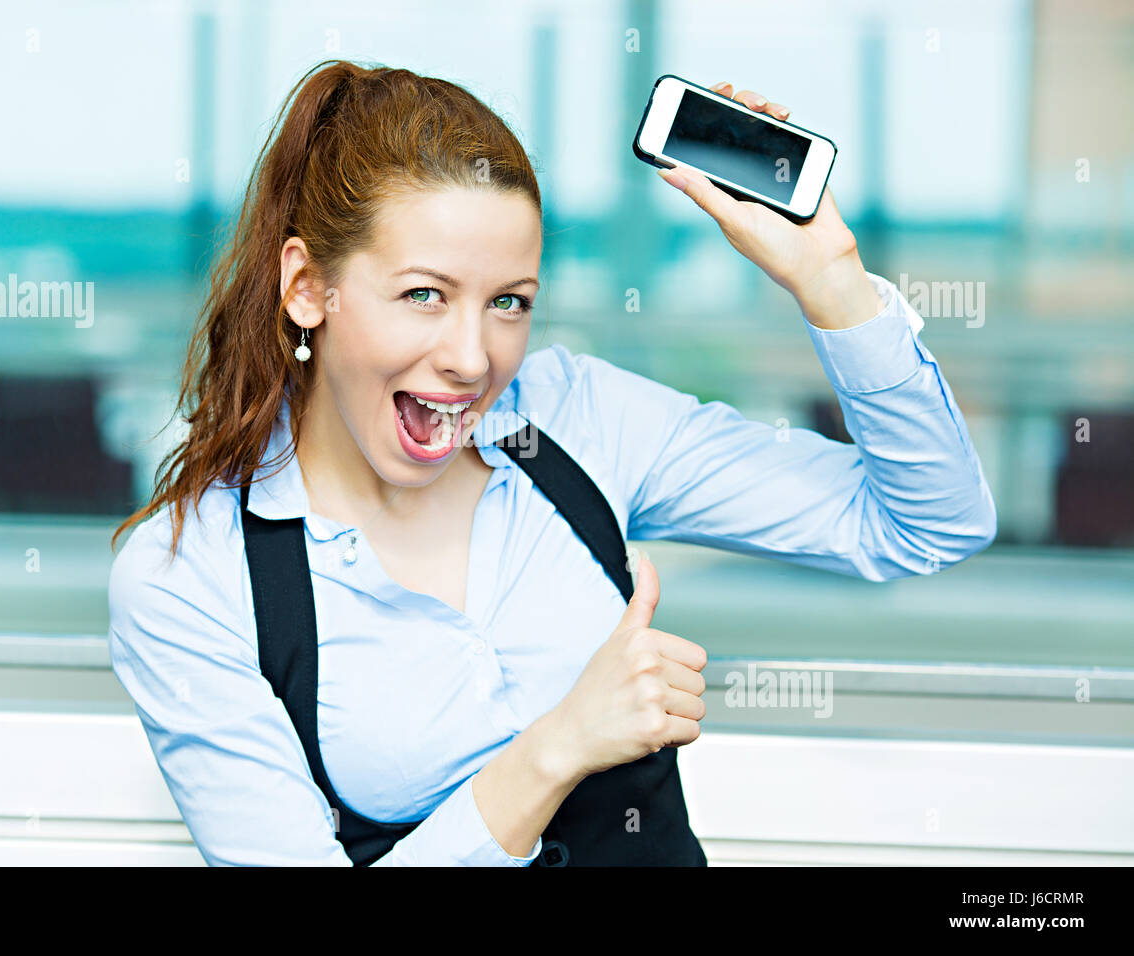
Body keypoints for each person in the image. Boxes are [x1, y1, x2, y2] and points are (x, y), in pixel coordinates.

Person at [107, 59, 997, 866]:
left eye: (508, 302)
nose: (471, 356)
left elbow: (929, 522)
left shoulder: (577, 420)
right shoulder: (192, 576)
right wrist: (560, 745)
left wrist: (831, 280)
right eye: (424, 295)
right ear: (308, 288)